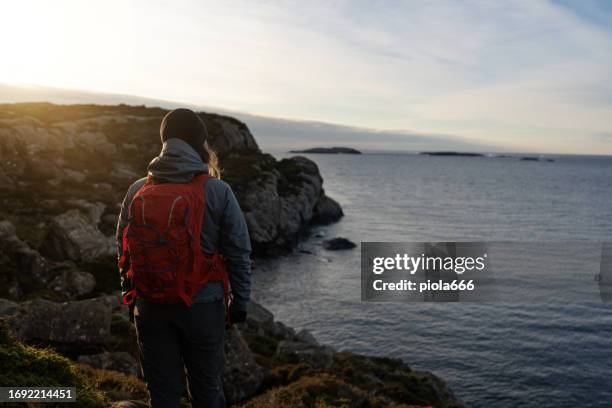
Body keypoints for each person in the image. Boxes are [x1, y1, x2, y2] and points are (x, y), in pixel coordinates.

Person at [116, 108, 252, 408]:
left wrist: (130, 293)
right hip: (202, 306)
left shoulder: (139, 189)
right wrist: (240, 303)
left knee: (162, 394)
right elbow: (238, 252)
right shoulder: (218, 190)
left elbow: (122, 246)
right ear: (199, 142)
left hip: (149, 305)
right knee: (206, 392)